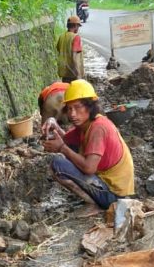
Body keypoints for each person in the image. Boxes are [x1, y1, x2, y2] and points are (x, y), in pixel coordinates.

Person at [41, 79, 135, 214]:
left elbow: (89, 168)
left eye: (78, 107)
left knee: (58, 164)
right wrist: (53, 123)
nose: (72, 114)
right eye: (69, 108)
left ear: (90, 107)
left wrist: (61, 148)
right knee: (70, 150)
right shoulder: (88, 123)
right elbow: (67, 140)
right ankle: (95, 197)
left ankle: (95, 203)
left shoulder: (98, 128)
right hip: (108, 184)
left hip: (115, 197)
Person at [55, 14, 85, 80]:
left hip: (64, 72)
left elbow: (59, 49)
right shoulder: (76, 37)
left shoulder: (61, 37)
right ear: (75, 25)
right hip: (73, 74)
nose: (78, 28)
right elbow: (74, 58)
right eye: (78, 26)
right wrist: (78, 74)